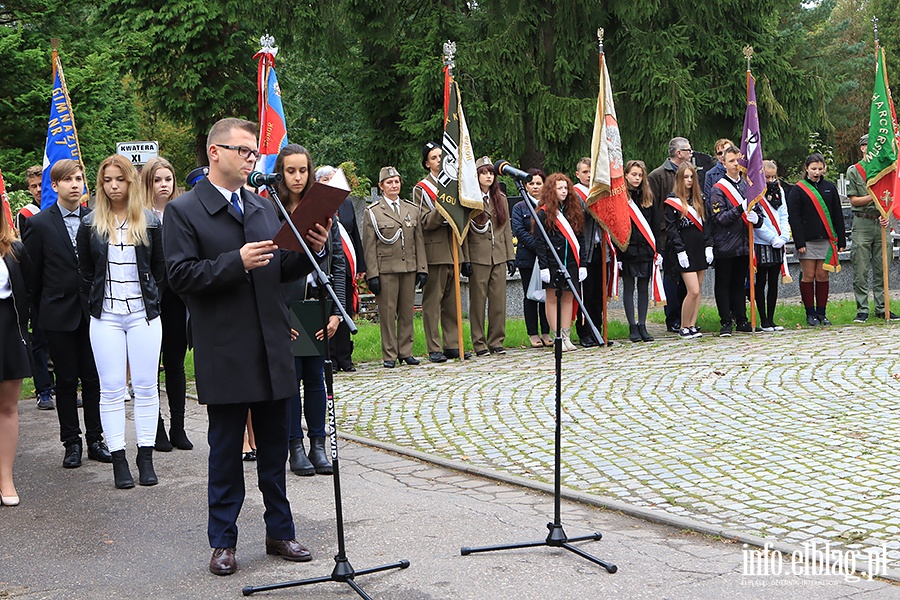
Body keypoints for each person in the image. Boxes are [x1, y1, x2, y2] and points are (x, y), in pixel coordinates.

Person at [163, 118, 331, 575]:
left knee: (275, 447)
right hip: (226, 347)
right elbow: (180, 277)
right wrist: (233, 263)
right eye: (242, 150)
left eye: (254, 152)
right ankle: (223, 542)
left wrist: (312, 248)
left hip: (272, 344)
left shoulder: (262, 206)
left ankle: (280, 532)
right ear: (215, 153)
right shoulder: (184, 211)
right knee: (225, 452)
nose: (251, 158)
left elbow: (281, 268)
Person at [77, 155, 165, 489]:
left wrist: (150, 299)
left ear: (130, 182)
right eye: (107, 181)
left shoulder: (151, 222)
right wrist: (99, 301)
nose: (113, 186)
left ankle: (146, 456)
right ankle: (118, 458)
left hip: (143, 314)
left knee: (145, 386)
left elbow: (159, 270)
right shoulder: (90, 224)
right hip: (106, 317)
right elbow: (85, 271)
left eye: (120, 180)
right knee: (111, 389)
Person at [22, 159, 112, 468]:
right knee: (66, 380)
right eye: (67, 180)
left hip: (92, 312)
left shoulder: (96, 218)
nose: (74, 184)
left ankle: (96, 439)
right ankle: (71, 441)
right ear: (55, 186)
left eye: (78, 178)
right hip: (58, 313)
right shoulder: (39, 224)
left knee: (93, 377)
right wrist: (39, 313)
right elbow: (33, 276)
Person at [273, 144, 345, 476]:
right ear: (280, 173)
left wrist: (336, 312)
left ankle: (319, 444)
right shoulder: (271, 210)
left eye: (303, 170)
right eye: (291, 171)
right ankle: (295, 447)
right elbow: (269, 268)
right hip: (286, 307)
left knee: (316, 378)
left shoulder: (322, 209)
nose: (298, 177)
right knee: (292, 379)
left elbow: (338, 264)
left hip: (318, 304)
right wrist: (278, 315)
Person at [142, 157, 193, 452]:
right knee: (149, 367)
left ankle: (178, 426)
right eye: (158, 180)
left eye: (168, 179)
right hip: (149, 301)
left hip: (176, 299)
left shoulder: (180, 213)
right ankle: (156, 427)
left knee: (175, 363)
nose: (164, 185)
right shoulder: (140, 216)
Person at [363, 166, 428, 368]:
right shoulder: (373, 212)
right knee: (388, 313)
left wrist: (422, 268)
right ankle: (389, 354)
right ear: (381, 186)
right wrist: (372, 274)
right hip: (386, 269)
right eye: (389, 182)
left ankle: (405, 351)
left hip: (408, 267)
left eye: (397, 182)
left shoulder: (411, 209)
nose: (394, 185)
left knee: (407, 312)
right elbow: (369, 246)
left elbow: (418, 241)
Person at [707, 146, 764, 336]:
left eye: (738, 160)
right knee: (723, 283)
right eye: (731, 161)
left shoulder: (747, 186)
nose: (735, 164)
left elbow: (758, 211)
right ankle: (725, 321)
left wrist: (757, 219)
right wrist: (740, 208)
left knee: (739, 283)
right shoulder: (718, 189)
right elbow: (720, 218)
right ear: (723, 164)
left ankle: (741, 319)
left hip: (743, 244)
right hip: (725, 244)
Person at [414, 142, 462, 362]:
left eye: (441, 156)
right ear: (427, 163)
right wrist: (442, 208)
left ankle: (452, 343)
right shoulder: (421, 189)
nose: (439, 160)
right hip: (435, 252)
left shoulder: (455, 184)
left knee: (452, 303)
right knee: (433, 303)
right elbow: (423, 221)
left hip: (454, 249)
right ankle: (434, 347)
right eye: (434, 158)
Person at [463, 157, 515, 356]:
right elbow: (465, 233)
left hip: (499, 255)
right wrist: (466, 259)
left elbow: (506, 228)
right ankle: (479, 343)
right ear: (476, 176)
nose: (488, 176)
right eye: (484, 173)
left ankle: (496, 340)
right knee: (478, 302)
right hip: (478, 256)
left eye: (491, 173)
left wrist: (510, 256)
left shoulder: (500, 198)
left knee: (498, 301)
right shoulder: (470, 199)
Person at [787, 153, 846, 326]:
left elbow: (837, 214)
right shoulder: (798, 189)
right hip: (807, 240)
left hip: (826, 239)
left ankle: (822, 312)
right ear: (806, 168)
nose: (817, 172)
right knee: (809, 275)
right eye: (813, 169)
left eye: (820, 169)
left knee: (822, 275)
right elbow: (794, 217)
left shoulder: (830, 187)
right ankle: (810, 313)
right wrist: (799, 242)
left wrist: (840, 240)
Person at [319, 166, 367, 372]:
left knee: (344, 311)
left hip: (345, 267)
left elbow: (355, 235)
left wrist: (361, 266)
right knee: (329, 313)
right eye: (326, 179)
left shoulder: (346, 204)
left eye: (333, 178)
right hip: (325, 266)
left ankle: (345, 358)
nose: (330, 182)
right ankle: (331, 359)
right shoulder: (317, 204)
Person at [847, 135, 898, 322]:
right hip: (862, 222)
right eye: (871, 145)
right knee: (860, 268)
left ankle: (882, 307)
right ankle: (862, 309)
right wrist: (873, 196)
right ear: (862, 148)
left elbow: (893, 197)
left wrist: (887, 215)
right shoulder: (855, 171)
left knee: (882, 267)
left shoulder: (886, 171)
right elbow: (854, 200)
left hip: (882, 221)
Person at [0, 211, 33, 506]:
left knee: (8, 407)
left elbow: (29, 291)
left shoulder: (14, 249)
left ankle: (5, 478)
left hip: (8, 330)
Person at [534, 173, 586, 351]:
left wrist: (583, 264)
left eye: (566, 188)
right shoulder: (544, 212)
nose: (564, 191)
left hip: (571, 261)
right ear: (551, 190)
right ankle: (557, 337)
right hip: (551, 262)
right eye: (560, 188)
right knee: (552, 298)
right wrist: (543, 267)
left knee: (568, 298)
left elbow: (581, 239)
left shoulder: (573, 210)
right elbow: (540, 242)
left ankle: (566, 336)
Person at [17, 165, 55, 410]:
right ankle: (44, 389)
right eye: (34, 186)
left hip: (62, 286)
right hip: (39, 288)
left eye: (43, 184)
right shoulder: (27, 214)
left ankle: (67, 385)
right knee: (40, 341)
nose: (39, 190)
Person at [648, 137, 693, 332]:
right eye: (689, 150)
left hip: (689, 235)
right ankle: (673, 318)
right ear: (679, 153)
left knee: (688, 278)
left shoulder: (690, 173)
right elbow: (653, 207)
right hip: (667, 236)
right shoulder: (658, 175)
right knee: (672, 278)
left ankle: (687, 318)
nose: (691, 153)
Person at [664, 163, 712, 339]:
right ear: (679, 179)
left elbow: (707, 225)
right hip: (684, 250)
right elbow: (671, 229)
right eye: (685, 177)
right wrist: (679, 250)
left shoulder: (700, 199)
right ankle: (683, 326)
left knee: (698, 290)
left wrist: (709, 246)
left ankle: (692, 324)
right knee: (692, 290)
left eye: (691, 176)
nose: (689, 180)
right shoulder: (672, 201)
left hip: (699, 248)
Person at [512, 168, 552, 348]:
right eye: (531, 184)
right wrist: (539, 247)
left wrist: (545, 250)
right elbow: (519, 231)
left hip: (547, 259)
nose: (535, 187)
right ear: (525, 186)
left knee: (546, 294)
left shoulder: (549, 206)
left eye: (538, 183)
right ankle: (533, 333)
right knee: (530, 296)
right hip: (528, 257)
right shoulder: (519, 207)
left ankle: (546, 331)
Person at [620, 160, 658, 342]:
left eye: (640, 175)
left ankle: (642, 325)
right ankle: (632, 326)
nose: (636, 178)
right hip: (628, 249)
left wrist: (657, 249)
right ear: (626, 175)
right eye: (633, 174)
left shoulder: (648, 196)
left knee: (643, 287)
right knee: (629, 287)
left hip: (645, 249)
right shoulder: (620, 197)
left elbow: (655, 224)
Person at [753, 160, 791, 332]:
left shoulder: (779, 191)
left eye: (773, 176)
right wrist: (771, 238)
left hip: (778, 241)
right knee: (761, 281)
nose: (770, 180)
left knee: (774, 282)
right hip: (762, 242)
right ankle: (762, 320)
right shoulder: (755, 192)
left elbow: (783, 213)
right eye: (766, 177)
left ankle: (771, 318)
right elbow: (757, 220)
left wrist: (784, 235)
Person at [570, 157, 603, 348]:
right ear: (578, 174)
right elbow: (577, 220)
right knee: (586, 294)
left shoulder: (600, 190)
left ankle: (597, 329)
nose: (589, 175)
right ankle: (584, 332)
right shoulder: (575, 193)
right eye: (585, 172)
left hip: (601, 249)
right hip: (585, 250)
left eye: (591, 172)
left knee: (598, 294)